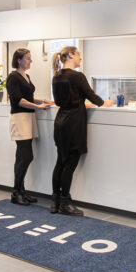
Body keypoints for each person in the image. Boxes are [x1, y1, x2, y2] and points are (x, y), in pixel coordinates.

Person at [51, 46, 114, 215]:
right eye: (78, 54)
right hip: (73, 123)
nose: (80, 58)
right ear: (71, 55)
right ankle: (65, 203)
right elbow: (93, 97)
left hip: (60, 122)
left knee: (60, 162)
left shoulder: (56, 77)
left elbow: (61, 101)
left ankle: (55, 202)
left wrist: (80, 103)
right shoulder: (77, 76)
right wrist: (106, 103)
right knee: (70, 164)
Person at [5, 48, 52, 205]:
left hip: (29, 118)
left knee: (20, 157)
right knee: (27, 157)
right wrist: (38, 107)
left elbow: (29, 97)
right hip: (20, 119)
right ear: (19, 60)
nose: (31, 61)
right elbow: (19, 100)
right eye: (28, 58)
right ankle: (16, 192)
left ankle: (21, 191)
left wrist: (43, 101)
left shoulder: (27, 76)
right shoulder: (13, 77)